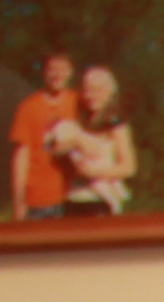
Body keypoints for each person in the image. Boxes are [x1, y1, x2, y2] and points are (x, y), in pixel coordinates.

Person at [46, 68, 134, 216]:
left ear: (110, 93)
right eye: (87, 91)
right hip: (74, 197)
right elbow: (53, 149)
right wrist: (76, 142)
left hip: (100, 200)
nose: (91, 96)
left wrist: (94, 173)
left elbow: (128, 167)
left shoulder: (116, 123)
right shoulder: (80, 121)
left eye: (97, 91)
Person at [4, 48, 76, 223]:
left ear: (71, 71)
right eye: (52, 69)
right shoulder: (28, 107)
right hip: (38, 200)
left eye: (62, 68)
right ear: (44, 72)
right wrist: (19, 202)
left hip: (74, 196)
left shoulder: (80, 102)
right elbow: (21, 157)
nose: (57, 74)